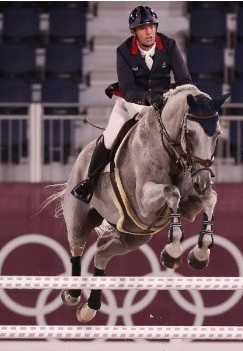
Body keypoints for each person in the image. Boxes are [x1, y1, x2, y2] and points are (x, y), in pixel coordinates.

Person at [71, 5, 193, 203]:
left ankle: (195, 175)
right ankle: (89, 182)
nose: (149, 31)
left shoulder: (169, 45)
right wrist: (147, 97)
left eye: (152, 26)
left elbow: (185, 80)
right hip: (131, 104)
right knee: (110, 137)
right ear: (134, 32)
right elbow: (127, 89)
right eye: (144, 28)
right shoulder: (124, 51)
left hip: (162, 104)